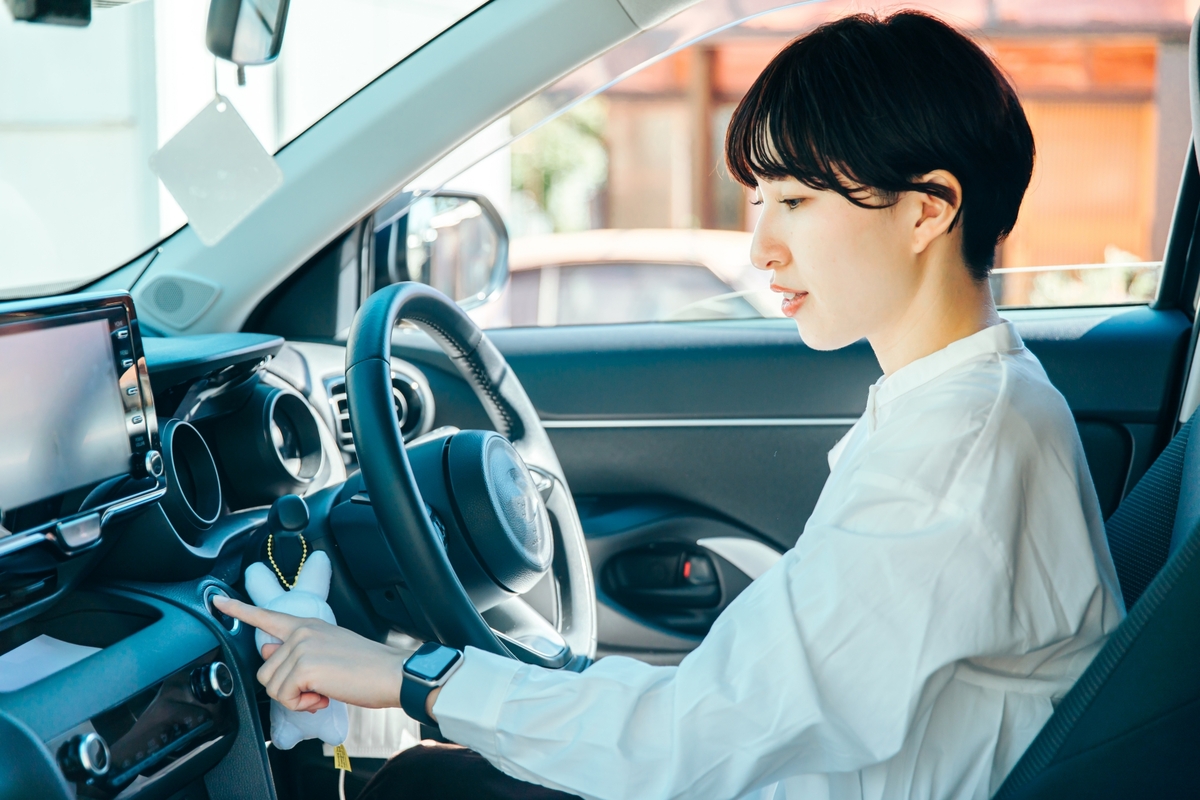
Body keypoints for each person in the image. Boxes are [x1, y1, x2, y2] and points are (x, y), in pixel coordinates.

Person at [214, 10, 1125, 799]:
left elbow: (699, 736)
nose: (761, 247)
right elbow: (744, 705)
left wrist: (410, 678)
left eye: (797, 202)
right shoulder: (958, 405)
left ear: (928, 211)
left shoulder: (954, 454)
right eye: (758, 199)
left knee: (426, 791)